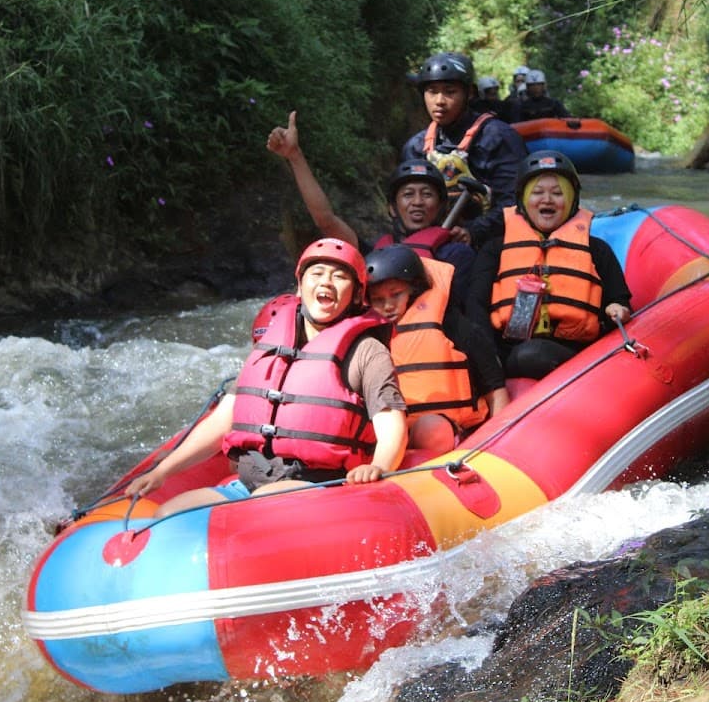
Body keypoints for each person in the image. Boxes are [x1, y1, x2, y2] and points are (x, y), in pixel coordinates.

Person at [126, 239, 408, 516]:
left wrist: (379, 466)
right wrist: (163, 471)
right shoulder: (271, 345)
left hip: (322, 484)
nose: (326, 282)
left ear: (357, 295)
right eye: (317, 274)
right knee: (169, 513)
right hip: (250, 485)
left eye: (339, 277)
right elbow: (221, 423)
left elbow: (391, 423)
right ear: (300, 286)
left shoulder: (367, 351)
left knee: (265, 502)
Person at [266, 112, 475, 305]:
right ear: (392, 209)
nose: (418, 202)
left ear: (440, 207)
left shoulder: (456, 254)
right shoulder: (374, 253)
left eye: (427, 194)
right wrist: (295, 157)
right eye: (408, 194)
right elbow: (325, 219)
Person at [467, 150, 633, 381]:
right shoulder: (495, 249)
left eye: (558, 193)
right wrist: (488, 360)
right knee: (528, 354)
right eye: (537, 193)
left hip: (577, 352)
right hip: (508, 351)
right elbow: (475, 306)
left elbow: (619, 300)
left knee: (533, 354)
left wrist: (618, 308)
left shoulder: (597, 250)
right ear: (522, 200)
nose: (547, 200)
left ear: (572, 200)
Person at [364, 244, 510, 454]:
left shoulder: (455, 327)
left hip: (456, 432)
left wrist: (501, 446)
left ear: (414, 291)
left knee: (431, 429)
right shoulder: (370, 337)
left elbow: (494, 387)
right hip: (392, 434)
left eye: (396, 294)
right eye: (378, 300)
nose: (388, 306)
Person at [400, 52, 528, 247]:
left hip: (490, 241)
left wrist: (474, 231)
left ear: (469, 93)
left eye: (450, 92)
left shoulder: (499, 138)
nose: (440, 101)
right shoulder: (416, 146)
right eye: (432, 92)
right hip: (432, 240)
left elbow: (515, 200)